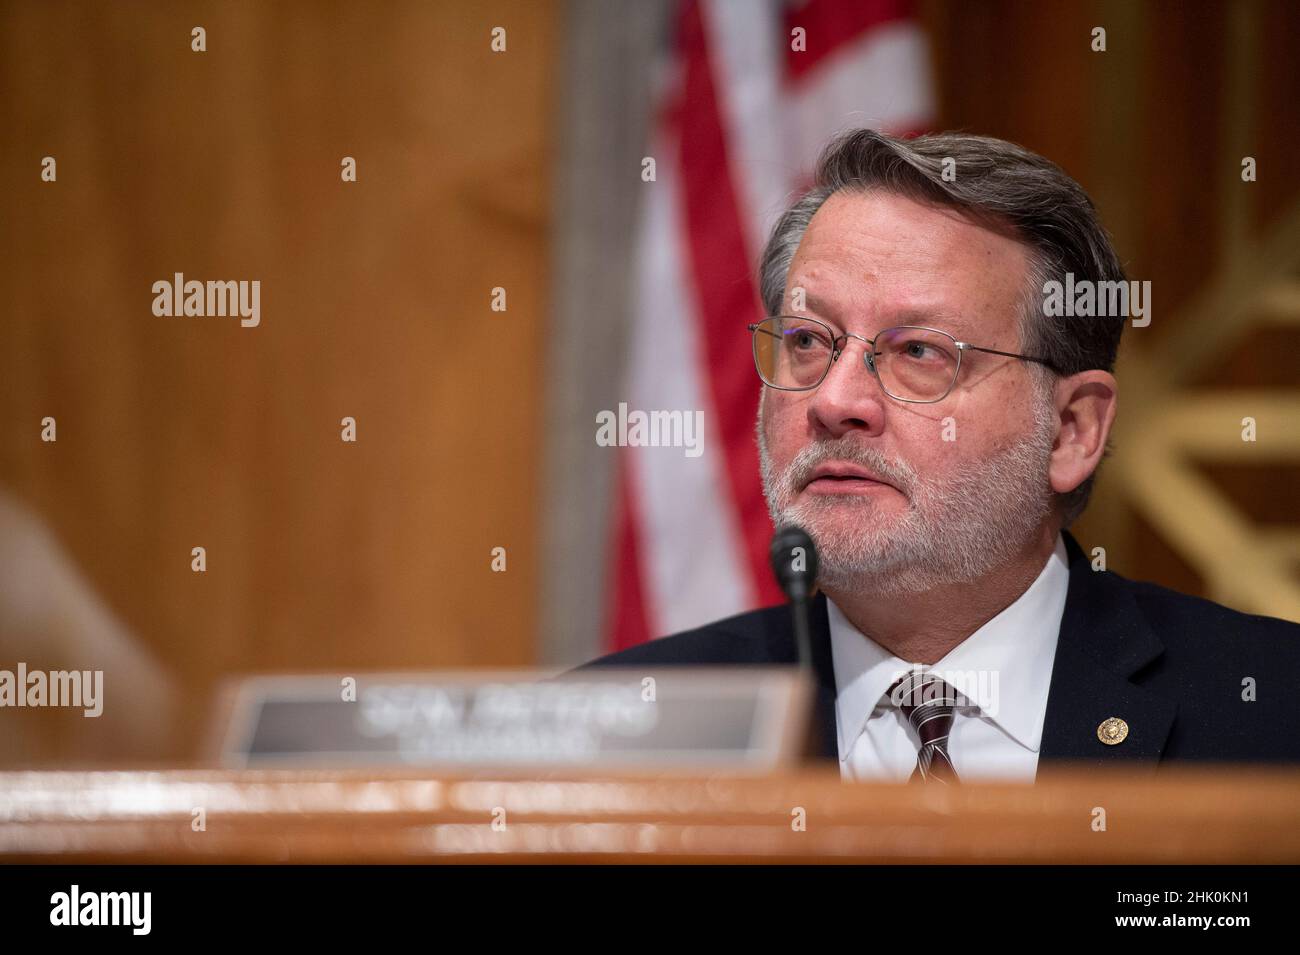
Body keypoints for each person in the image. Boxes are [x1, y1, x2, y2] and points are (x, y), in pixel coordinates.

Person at [578, 128, 1300, 782]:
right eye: (806, 341)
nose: (834, 400)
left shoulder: (1271, 714)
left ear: (1071, 430)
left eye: (919, 352)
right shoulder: (619, 734)